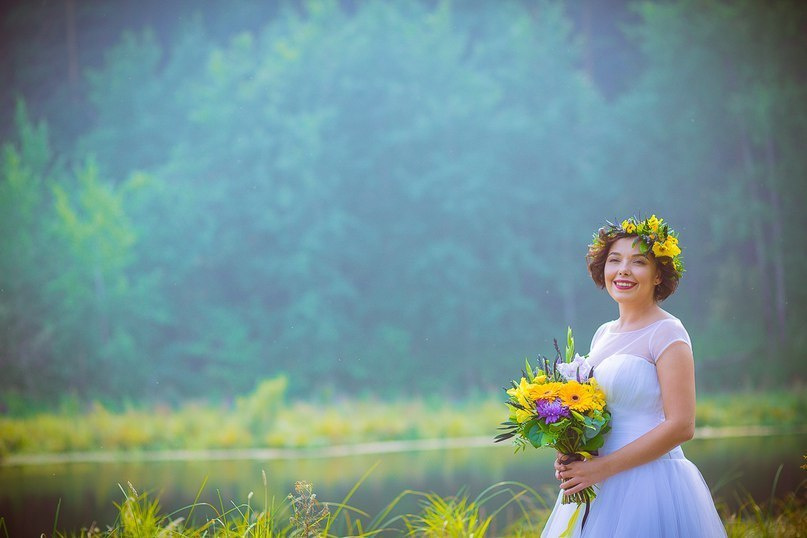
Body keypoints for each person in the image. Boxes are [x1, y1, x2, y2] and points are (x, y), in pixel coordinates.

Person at [540, 215, 726, 537]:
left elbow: (682, 425)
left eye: (638, 262)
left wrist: (602, 468)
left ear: (658, 276)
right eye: (615, 260)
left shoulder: (667, 332)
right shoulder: (602, 334)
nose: (623, 270)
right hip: (597, 483)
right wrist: (572, 450)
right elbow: (597, 411)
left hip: (650, 483)